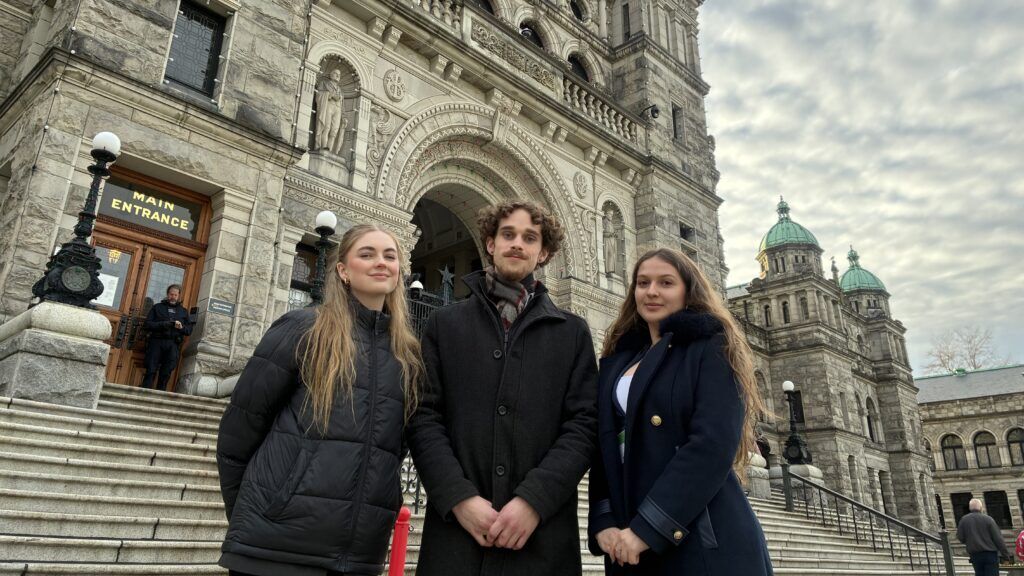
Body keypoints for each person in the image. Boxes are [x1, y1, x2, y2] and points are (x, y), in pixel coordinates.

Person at [216, 224, 424, 576]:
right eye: (367, 254)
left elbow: (394, 448)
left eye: (390, 256)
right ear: (343, 270)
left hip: (358, 556)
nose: (381, 262)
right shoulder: (303, 328)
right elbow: (240, 430)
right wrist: (252, 513)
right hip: (275, 549)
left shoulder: (407, 355)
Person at [408, 200, 598, 576]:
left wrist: (535, 500)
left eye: (530, 237)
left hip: (541, 540)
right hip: (457, 537)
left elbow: (584, 425)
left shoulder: (572, 333)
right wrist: (458, 497)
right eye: (508, 234)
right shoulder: (445, 325)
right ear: (490, 243)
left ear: (543, 253)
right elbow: (422, 416)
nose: (517, 244)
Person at [588, 248, 773, 575]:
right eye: (643, 283)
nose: (652, 291)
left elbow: (711, 444)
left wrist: (650, 526)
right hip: (628, 540)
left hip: (699, 536)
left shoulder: (710, 346)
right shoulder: (619, 359)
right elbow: (605, 444)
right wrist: (603, 519)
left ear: (688, 291)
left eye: (666, 283)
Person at [141, 284, 191, 391]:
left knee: (166, 372)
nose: (173, 297)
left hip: (173, 344)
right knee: (151, 369)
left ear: (179, 296)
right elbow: (147, 324)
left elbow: (189, 330)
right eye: (171, 294)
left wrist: (181, 327)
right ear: (167, 294)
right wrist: (163, 324)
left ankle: (160, 395)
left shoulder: (183, 311)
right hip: (156, 342)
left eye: (175, 295)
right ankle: (144, 393)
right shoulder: (157, 307)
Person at [956, 498, 1012, 576]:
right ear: (981, 507)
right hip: (990, 554)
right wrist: (1005, 556)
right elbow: (998, 539)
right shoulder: (988, 519)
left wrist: (969, 542)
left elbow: (960, 537)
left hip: (975, 555)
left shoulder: (963, 520)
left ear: (969, 508)